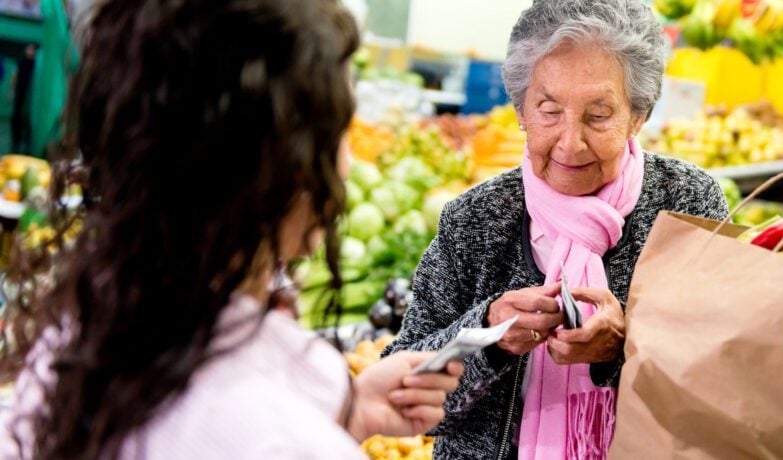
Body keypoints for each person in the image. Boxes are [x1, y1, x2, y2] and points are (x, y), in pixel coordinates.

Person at [0, 0, 461, 458]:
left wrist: (353, 412)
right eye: (342, 131)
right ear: (280, 168)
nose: (350, 162)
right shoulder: (288, 441)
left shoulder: (77, 337)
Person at [383, 0, 729, 458]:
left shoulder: (688, 204)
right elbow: (403, 391)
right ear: (521, 109)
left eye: (599, 115)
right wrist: (488, 334)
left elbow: (720, 380)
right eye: (548, 109)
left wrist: (623, 347)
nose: (570, 142)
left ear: (638, 116)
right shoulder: (475, 219)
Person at [10, 44, 35, 154]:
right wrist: (12, 90)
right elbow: (15, 77)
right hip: (20, 94)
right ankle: (16, 140)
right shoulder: (22, 62)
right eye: (29, 49)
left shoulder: (36, 65)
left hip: (31, 96)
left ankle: (27, 141)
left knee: (28, 118)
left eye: (32, 50)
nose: (30, 52)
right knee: (17, 116)